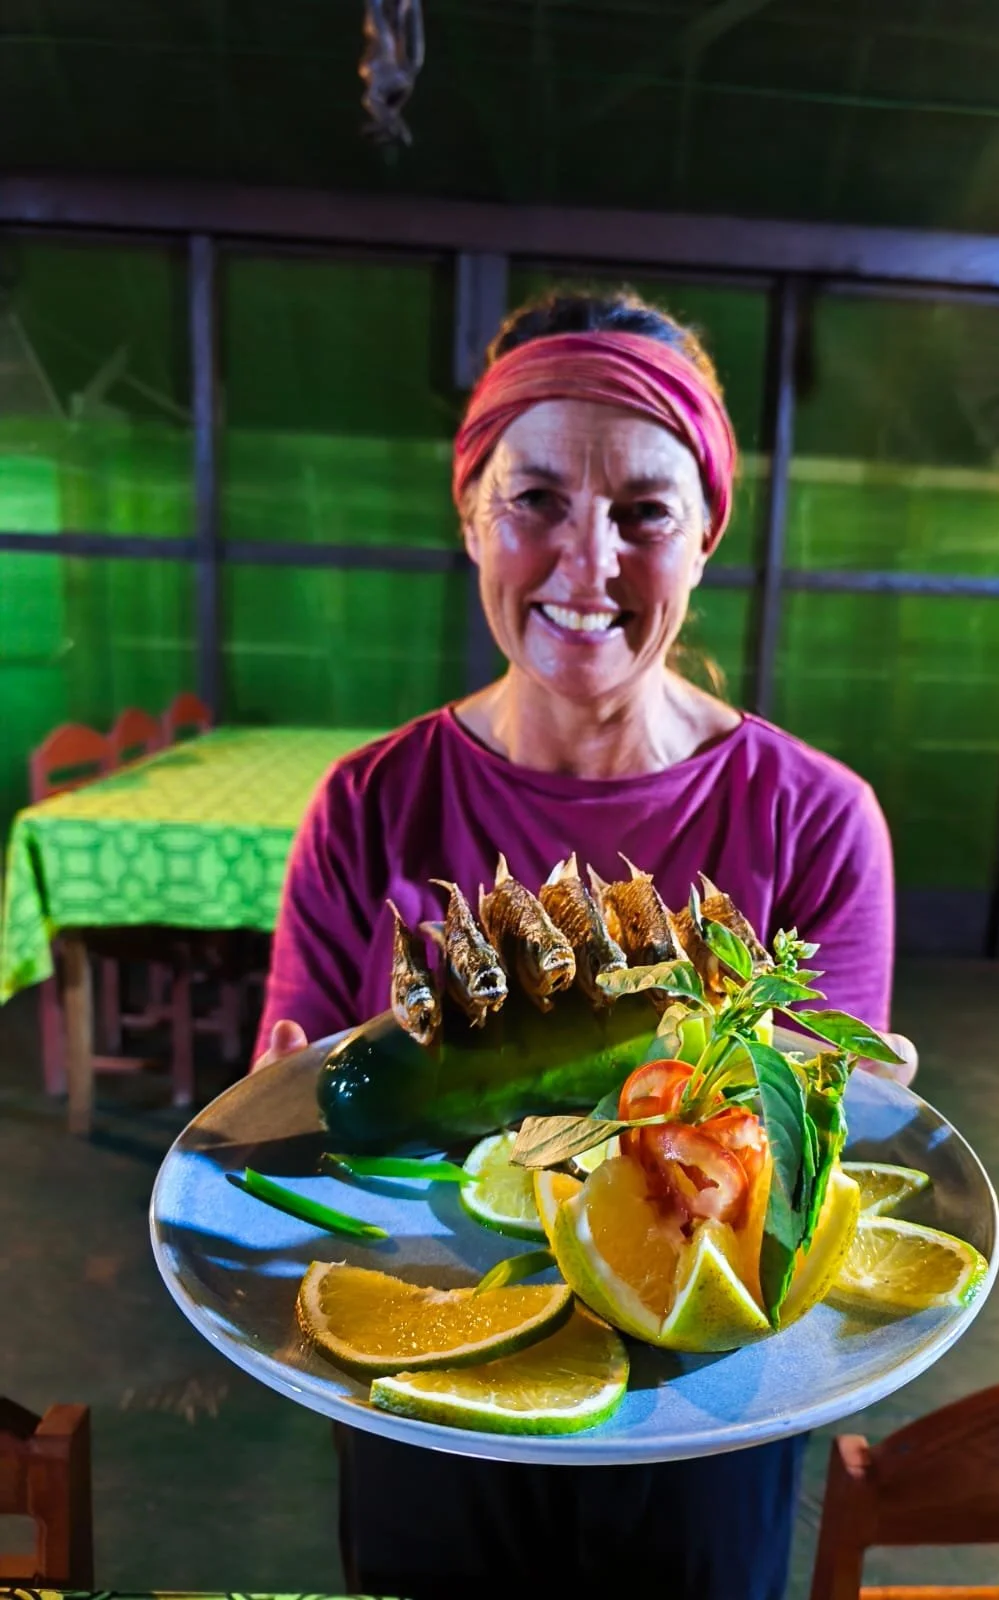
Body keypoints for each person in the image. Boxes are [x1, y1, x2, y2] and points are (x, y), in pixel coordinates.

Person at [253, 288, 917, 1600]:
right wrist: (282, 1104)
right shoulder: (367, 805)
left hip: (705, 1402)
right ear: (469, 514)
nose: (585, 565)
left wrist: (837, 1112)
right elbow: (304, 1122)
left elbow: (793, 1181)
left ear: (708, 531)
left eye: (644, 513)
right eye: (536, 499)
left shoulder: (816, 820)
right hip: (433, 1373)